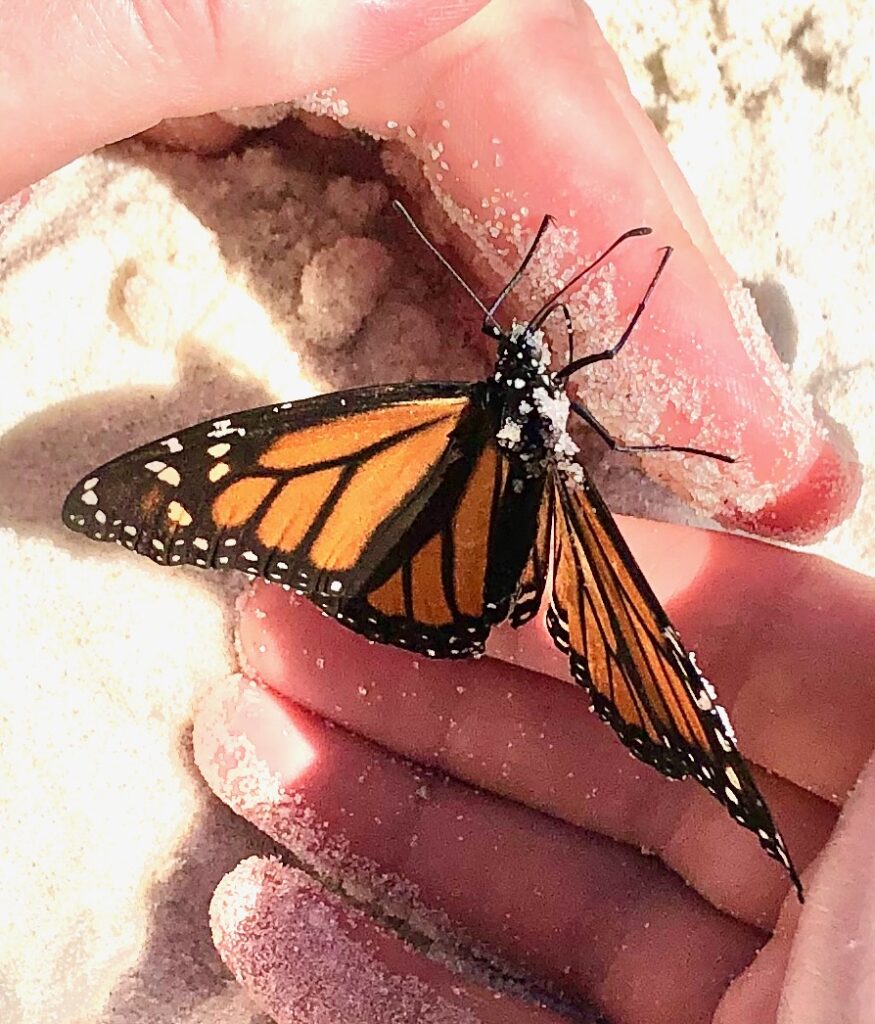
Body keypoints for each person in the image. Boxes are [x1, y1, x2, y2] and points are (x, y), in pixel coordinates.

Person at [6, 1, 870, 1021]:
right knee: (615, 608)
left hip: (441, 566)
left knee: (633, 635)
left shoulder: (436, 420)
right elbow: (258, 487)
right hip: (487, 552)